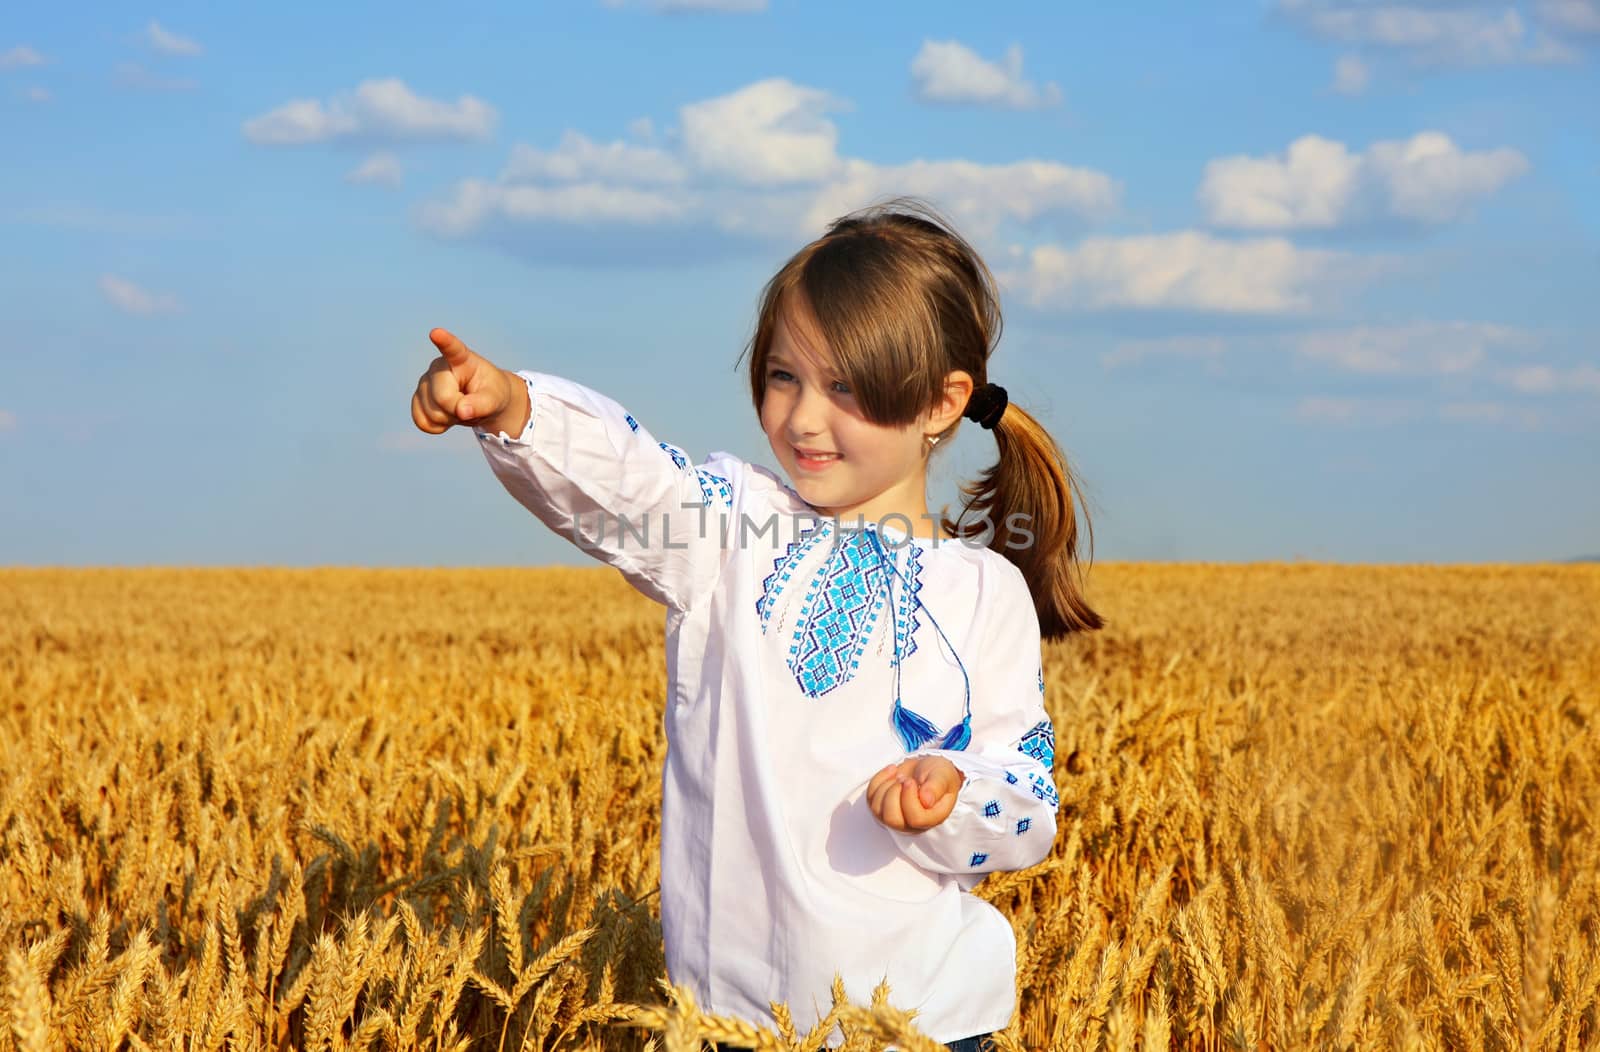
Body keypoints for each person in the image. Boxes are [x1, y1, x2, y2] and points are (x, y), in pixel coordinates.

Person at [409, 197, 1105, 1051]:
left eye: (846, 387)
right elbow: (632, 487)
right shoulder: (729, 530)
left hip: (927, 1027)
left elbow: (1029, 799)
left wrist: (956, 796)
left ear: (940, 402)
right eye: (785, 376)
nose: (804, 417)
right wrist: (520, 411)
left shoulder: (985, 591)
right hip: (729, 1023)